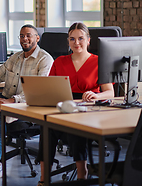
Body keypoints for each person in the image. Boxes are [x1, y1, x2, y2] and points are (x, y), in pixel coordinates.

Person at [36, 22, 114, 186]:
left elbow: (110, 93)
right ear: (68, 41)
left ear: (88, 40)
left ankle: (82, 174)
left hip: (89, 108)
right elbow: (50, 88)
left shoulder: (99, 62)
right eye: (72, 39)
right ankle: (44, 179)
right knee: (46, 127)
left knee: (77, 126)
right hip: (65, 106)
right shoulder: (59, 61)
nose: (76, 43)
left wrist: (96, 94)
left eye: (80, 38)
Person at [0, 24, 54, 182]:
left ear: (37, 38)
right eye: (22, 35)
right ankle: (4, 109)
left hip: (26, 106)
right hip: (6, 101)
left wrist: (12, 101)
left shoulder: (45, 59)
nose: (25, 39)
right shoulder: (15, 58)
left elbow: (37, 90)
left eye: (29, 35)